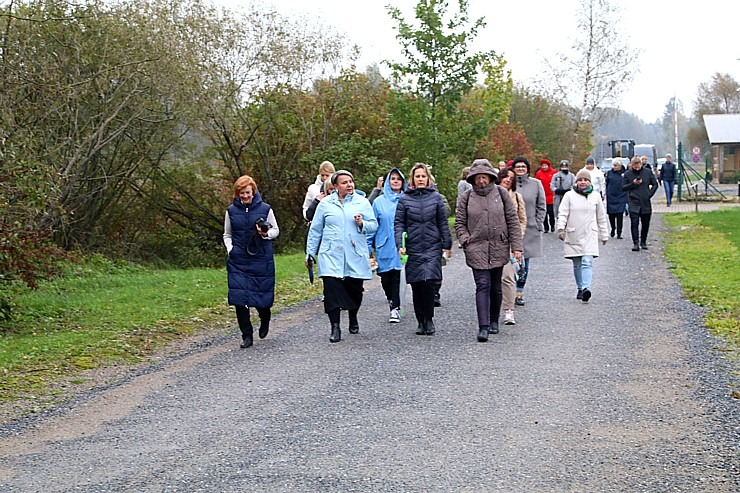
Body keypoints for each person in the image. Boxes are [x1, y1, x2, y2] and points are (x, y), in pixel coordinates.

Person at [306, 170, 378, 343]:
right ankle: (335, 326)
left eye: (351, 182)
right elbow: (315, 229)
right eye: (345, 183)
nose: (349, 185)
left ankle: (353, 316)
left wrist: (362, 224)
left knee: (355, 290)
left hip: (354, 252)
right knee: (331, 290)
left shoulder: (362, 202)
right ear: (336, 186)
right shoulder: (325, 205)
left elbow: (373, 225)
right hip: (330, 253)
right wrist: (310, 253)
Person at [457, 162, 525, 339]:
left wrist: (516, 246)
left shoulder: (501, 194)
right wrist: (466, 240)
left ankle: (494, 319)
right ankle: (483, 326)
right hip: (476, 247)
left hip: (498, 246)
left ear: (490, 177)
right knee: (482, 285)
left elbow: (512, 220)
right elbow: (459, 222)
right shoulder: (467, 196)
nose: (481, 181)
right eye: (478, 177)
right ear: (472, 179)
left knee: (495, 286)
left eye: (484, 177)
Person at [395, 163, 452, 336]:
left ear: (428, 178)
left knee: (429, 284)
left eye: (423, 176)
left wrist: (447, 244)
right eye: (417, 176)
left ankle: (429, 318)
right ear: (412, 179)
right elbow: (398, 223)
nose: (420, 179)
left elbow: (442, 222)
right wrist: (400, 244)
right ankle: (420, 321)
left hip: (432, 246)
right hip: (413, 246)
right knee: (417, 284)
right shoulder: (404, 199)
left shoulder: (435, 198)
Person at [224, 175, 280, 349]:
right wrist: (231, 249)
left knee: (261, 298)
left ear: (253, 191)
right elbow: (227, 234)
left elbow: (276, 230)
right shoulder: (231, 211)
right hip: (238, 260)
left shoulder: (265, 209)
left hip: (261, 258)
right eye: (241, 193)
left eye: (247, 192)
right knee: (240, 299)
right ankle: (246, 335)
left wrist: (266, 234)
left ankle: (265, 318)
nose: (245, 196)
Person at [556, 169, 609, 302]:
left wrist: (604, 234)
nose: (583, 182)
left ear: (589, 182)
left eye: (585, 180)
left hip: (590, 233)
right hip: (574, 233)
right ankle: (580, 287)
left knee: (587, 261)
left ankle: (586, 288)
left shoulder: (595, 196)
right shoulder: (569, 196)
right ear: (576, 182)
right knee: (577, 263)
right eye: (580, 180)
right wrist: (561, 228)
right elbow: (563, 213)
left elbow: (601, 216)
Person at [368, 168, 406, 323]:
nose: (396, 181)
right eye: (393, 179)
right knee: (386, 278)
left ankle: (395, 308)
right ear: (388, 181)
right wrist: (368, 246)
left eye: (398, 179)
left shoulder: (407, 199)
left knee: (398, 276)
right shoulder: (378, 202)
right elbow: (372, 225)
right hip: (383, 245)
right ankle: (391, 300)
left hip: (401, 246)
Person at [512, 157, 546, 307]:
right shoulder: (508, 183)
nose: (520, 169)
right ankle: (509, 290)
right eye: (517, 166)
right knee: (512, 263)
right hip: (512, 230)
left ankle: (519, 292)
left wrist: (538, 222)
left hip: (530, 229)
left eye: (523, 166)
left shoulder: (536, 184)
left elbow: (541, 205)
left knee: (524, 263)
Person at [497, 167, 527, 325]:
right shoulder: (491, 195)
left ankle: (509, 310)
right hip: (491, 241)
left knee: (508, 276)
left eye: (511, 178)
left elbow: (522, 219)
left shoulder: (516, 196)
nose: (508, 180)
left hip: (509, 242)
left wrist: (518, 237)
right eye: (505, 177)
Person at [622, 156, 658, 252]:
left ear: (641, 164)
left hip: (645, 201)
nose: (637, 168)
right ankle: (636, 243)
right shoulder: (627, 174)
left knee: (645, 223)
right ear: (632, 165)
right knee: (634, 223)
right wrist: (633, 184)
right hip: (634, 201)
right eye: (635, 166)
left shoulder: (647, 172)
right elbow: (623, 187)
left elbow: (655, 184)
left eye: (638, 166)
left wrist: (649, 194)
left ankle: (643, 241)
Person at [604, 158, 627, 239]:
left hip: (621, 195)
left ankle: (619, 232)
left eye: (616, 165)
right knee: (611, 215)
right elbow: (606, 183)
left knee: (620, 214)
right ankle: (613, 228)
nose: (614, 167)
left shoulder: (624, 173)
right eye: (613, 165)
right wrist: (606, 193)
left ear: (620, 166)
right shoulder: (609, 173)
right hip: (611, 196)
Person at [535, 159, 557, 233]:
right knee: (544, 212)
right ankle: (546, 227)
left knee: (551, 212)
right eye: (543, 165)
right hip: (542, 195)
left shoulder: (554, 173)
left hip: (551, 195)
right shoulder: (539, 173)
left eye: (545, 165)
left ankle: (553, 225)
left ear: (548, 166)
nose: (544, 167)